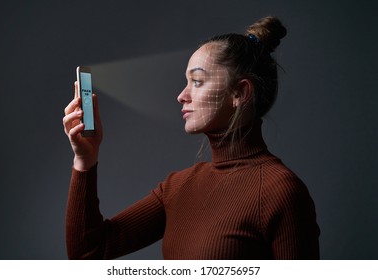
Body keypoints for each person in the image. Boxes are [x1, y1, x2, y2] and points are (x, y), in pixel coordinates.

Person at [63, 16, 320, 259]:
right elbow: (89, 252)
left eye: (197, 81)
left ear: (240, 93)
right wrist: (85, 160)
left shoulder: (280, 191)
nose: (182, 95)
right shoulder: (178, 187)